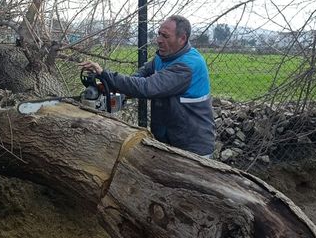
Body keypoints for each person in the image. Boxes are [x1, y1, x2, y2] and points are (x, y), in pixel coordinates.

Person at [79, 15, 215, 157]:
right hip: (169, 141)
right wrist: (112, 87)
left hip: (192, 147)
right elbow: (139, 77)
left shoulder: (187, 65)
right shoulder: (163, 57)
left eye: (165, 36)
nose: (159, 40)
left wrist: (105, 74)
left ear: (182, 38)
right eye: (159, 34)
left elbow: (147, 87)